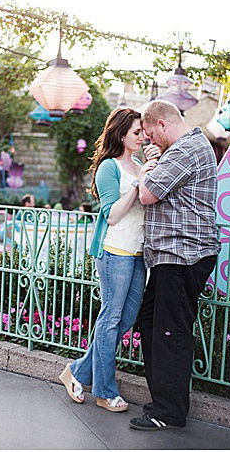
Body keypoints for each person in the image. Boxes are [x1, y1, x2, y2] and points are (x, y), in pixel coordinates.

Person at [129, 100, 220, 431]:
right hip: (173, 255)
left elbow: (149, 193)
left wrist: (143, 171)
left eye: (151, 135)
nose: (150, 142)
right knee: (152, 321)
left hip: (184, 256)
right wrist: (154, 161)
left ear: (163, 125)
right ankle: (163, 402)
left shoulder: (187, 149)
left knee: (170, 330)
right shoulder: (181, 149)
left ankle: (168, 412)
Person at [59, 107, 146, 413]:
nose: (142, 136)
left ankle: (78, 372)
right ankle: (105, 391)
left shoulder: (139, 165)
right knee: (110, 320)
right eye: (137, 131)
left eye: (143, 131)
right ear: (121, 134)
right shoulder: (109, 168)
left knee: (125, 319)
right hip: (114, 252)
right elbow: (112, 215)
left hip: (137, 254)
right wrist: (137, 186)